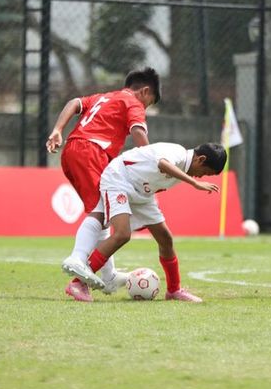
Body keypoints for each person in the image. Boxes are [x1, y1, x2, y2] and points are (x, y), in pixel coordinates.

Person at [46, 67, 161, 303]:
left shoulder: (104, 97)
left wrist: (58, 130)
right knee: (101, 210)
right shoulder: (133, 103)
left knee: (105, 210)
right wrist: (151, 162)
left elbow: (74, 102)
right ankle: (78, 258)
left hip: (72, 150)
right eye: (149, 103)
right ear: (145, 91)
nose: (145, 108)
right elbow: (138, 130)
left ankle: (109, 276)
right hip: (92, 151)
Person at [64, 142, 227, 303]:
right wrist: (194, 183)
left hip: (143, 195)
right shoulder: (177, 152)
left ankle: (174, 291)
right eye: (205, 172)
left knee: (165, 239)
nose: (201, 177)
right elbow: (162, 164)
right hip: (119, 180)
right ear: (200, 159)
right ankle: (78, 283)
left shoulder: (186, 167)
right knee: (122, 234)